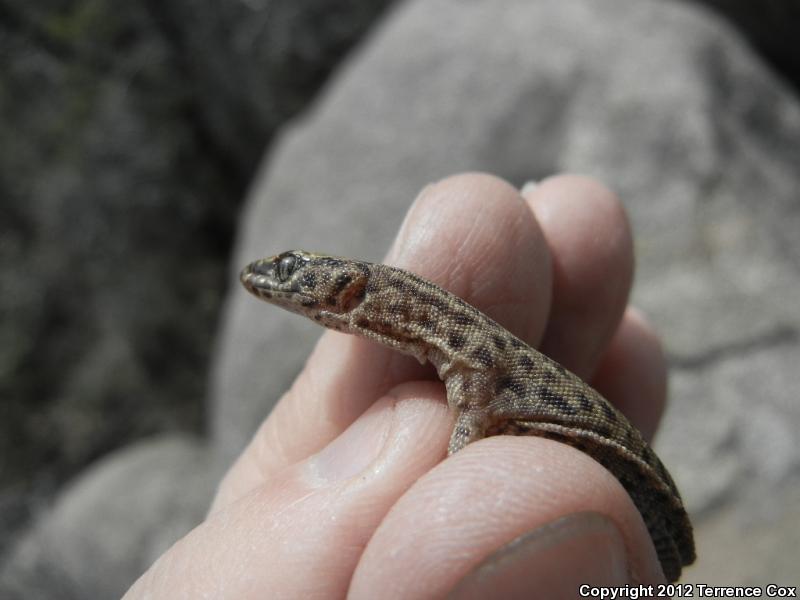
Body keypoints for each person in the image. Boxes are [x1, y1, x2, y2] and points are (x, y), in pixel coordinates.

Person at [124, 173, 670, 598]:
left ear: (350, 288)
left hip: (646, 495)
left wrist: (463, 458)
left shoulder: (471, 363)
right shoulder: (450, 354)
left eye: (290, 268)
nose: (274, 279)